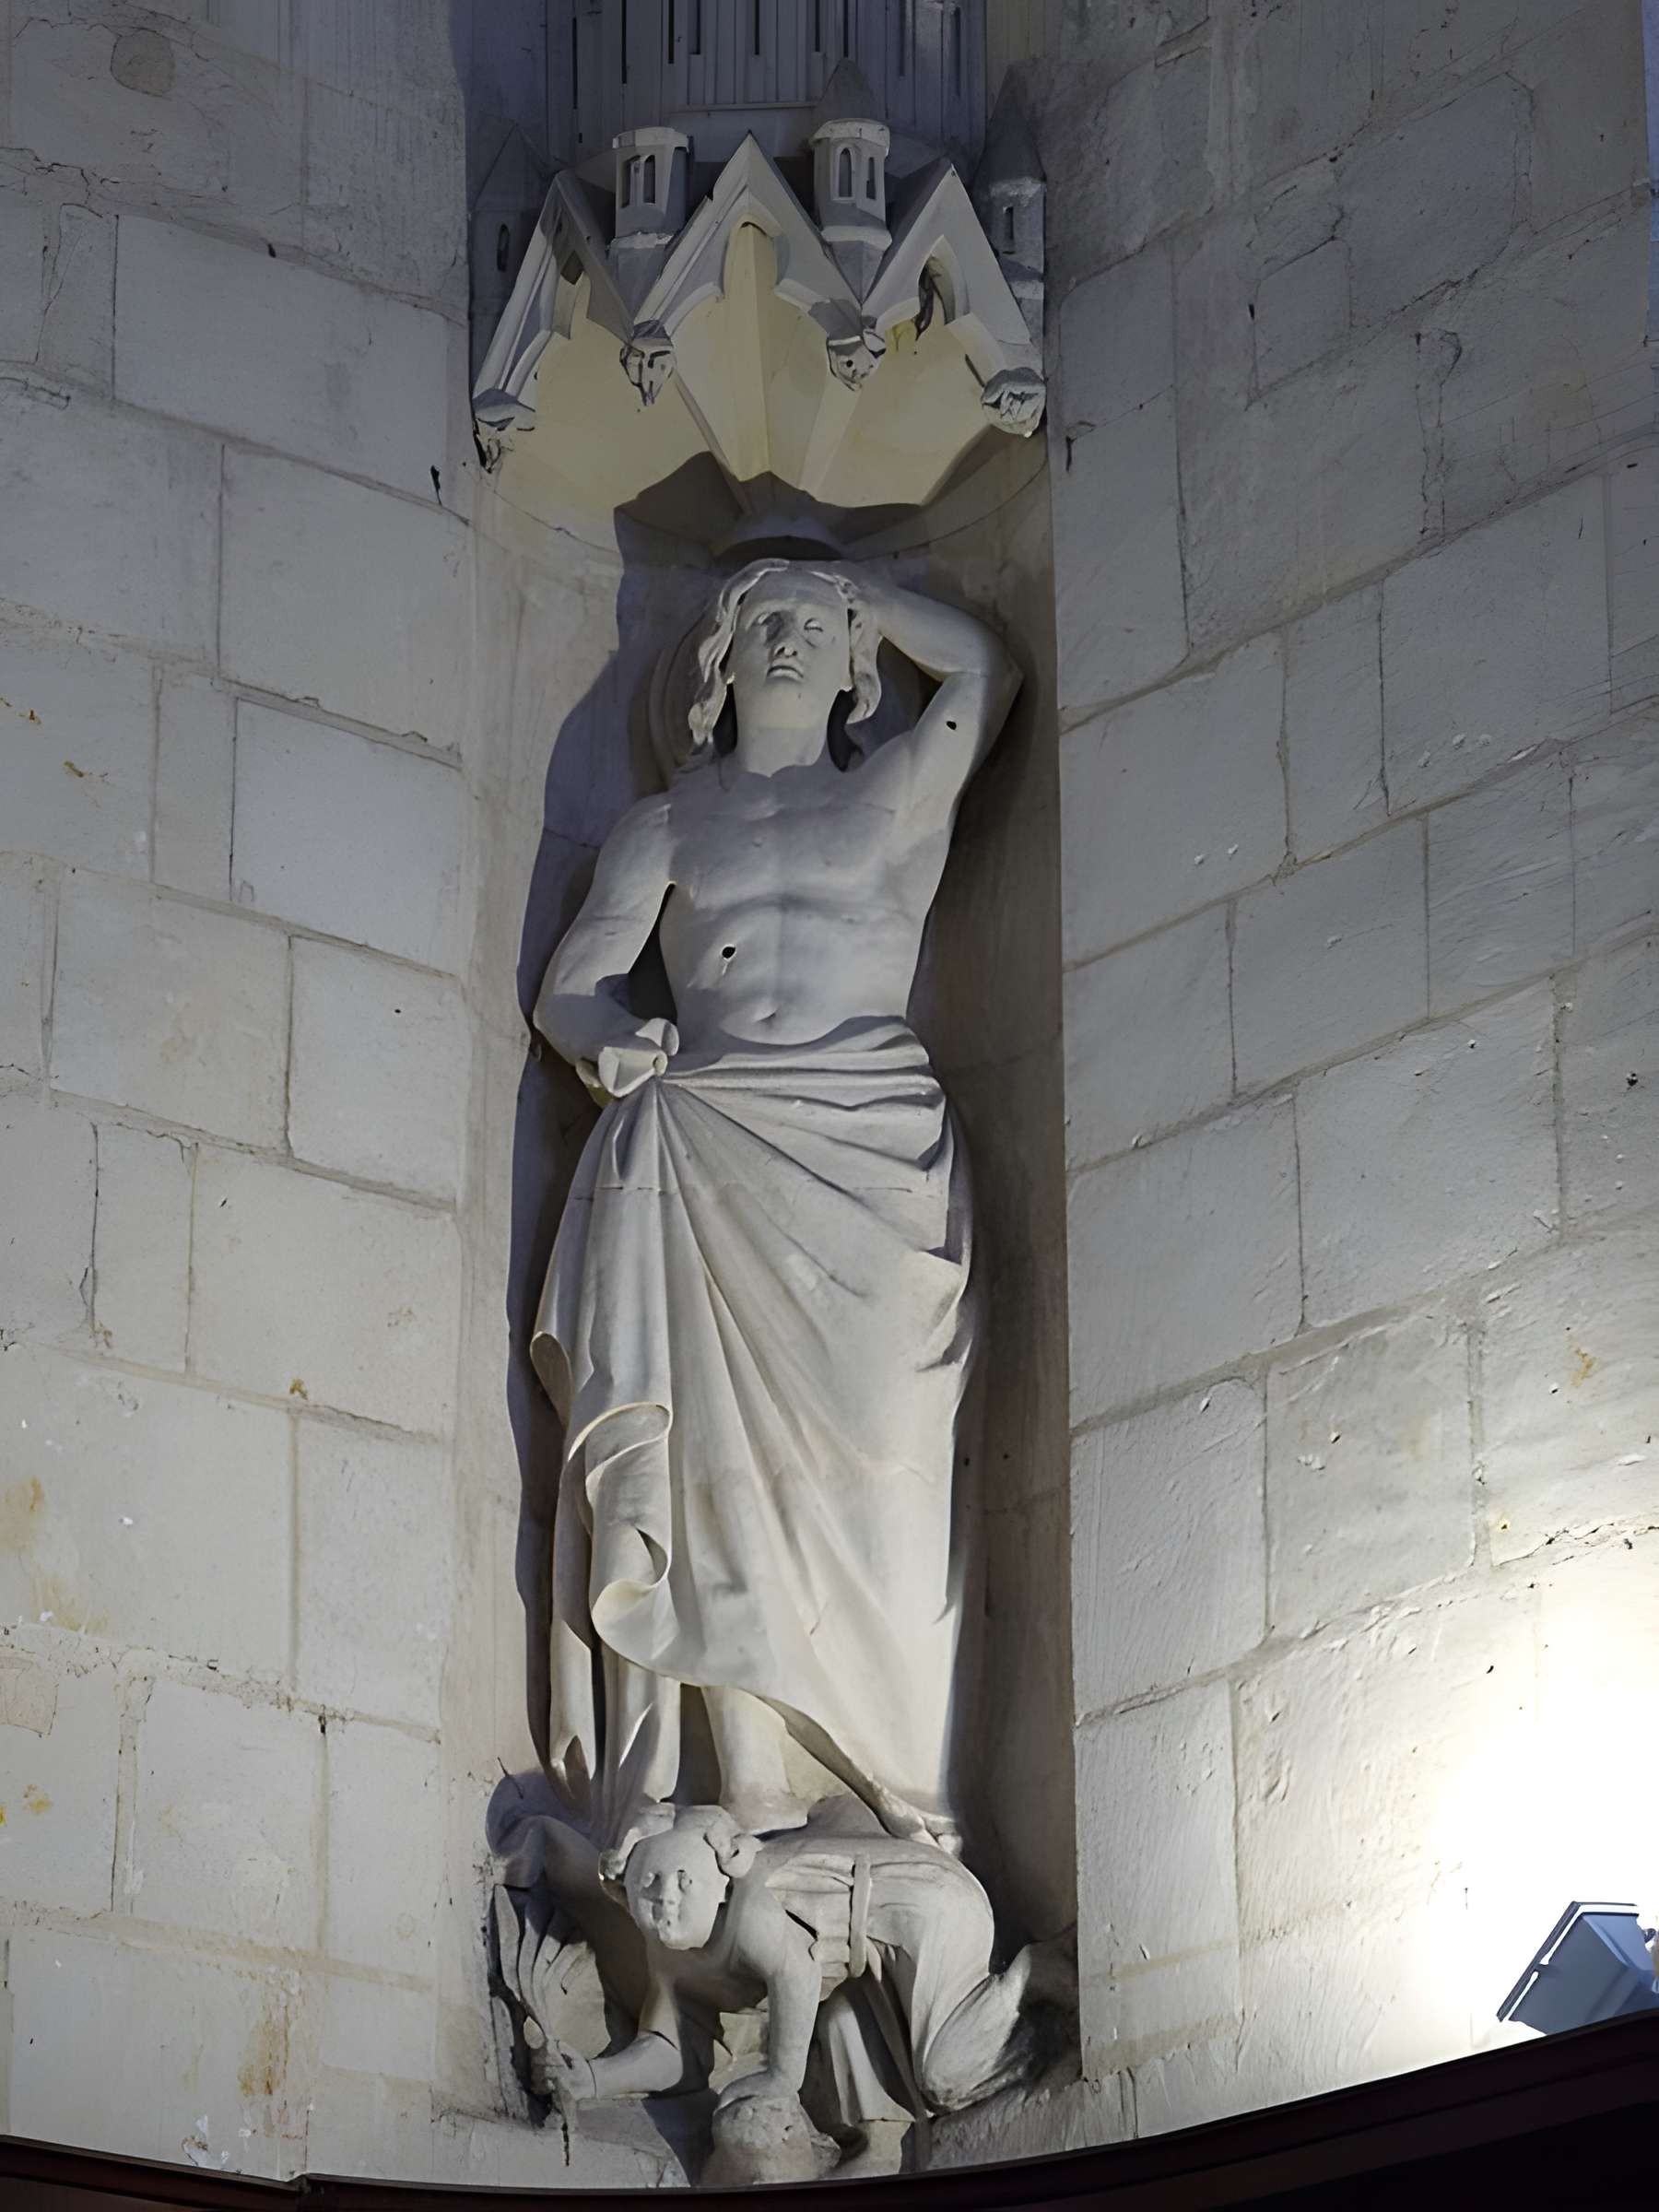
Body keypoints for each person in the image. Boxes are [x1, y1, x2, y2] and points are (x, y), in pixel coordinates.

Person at [532, 559, 1020, 1857]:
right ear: (719, 666)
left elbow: (985, 673)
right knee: (717, 1475)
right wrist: (614, 1044)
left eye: (814, 624)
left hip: (866, 1154)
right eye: (765, 623)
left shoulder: (892, 797)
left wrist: (859, 585)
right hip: (711, 1138)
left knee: (883, 1466)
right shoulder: (667, 828)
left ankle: (901, 1797)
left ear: (855, 653)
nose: (793, 641)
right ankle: (749, 1787)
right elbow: (572, 987)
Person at [534, 1801, 1071, 2162]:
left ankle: (1030, 1975)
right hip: (880, 1955)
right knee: (896, 2055)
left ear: (718, 1883)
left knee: (946, 2077)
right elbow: (675, 2051)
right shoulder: (670, 1956)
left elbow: (795, 1971)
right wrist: (594, 2079)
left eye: (682, 1881)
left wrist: (781, 2078)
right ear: (626, 1894)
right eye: (647, 1885)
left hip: (926, 1907)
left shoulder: (751, 1909)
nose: (666, 1898)